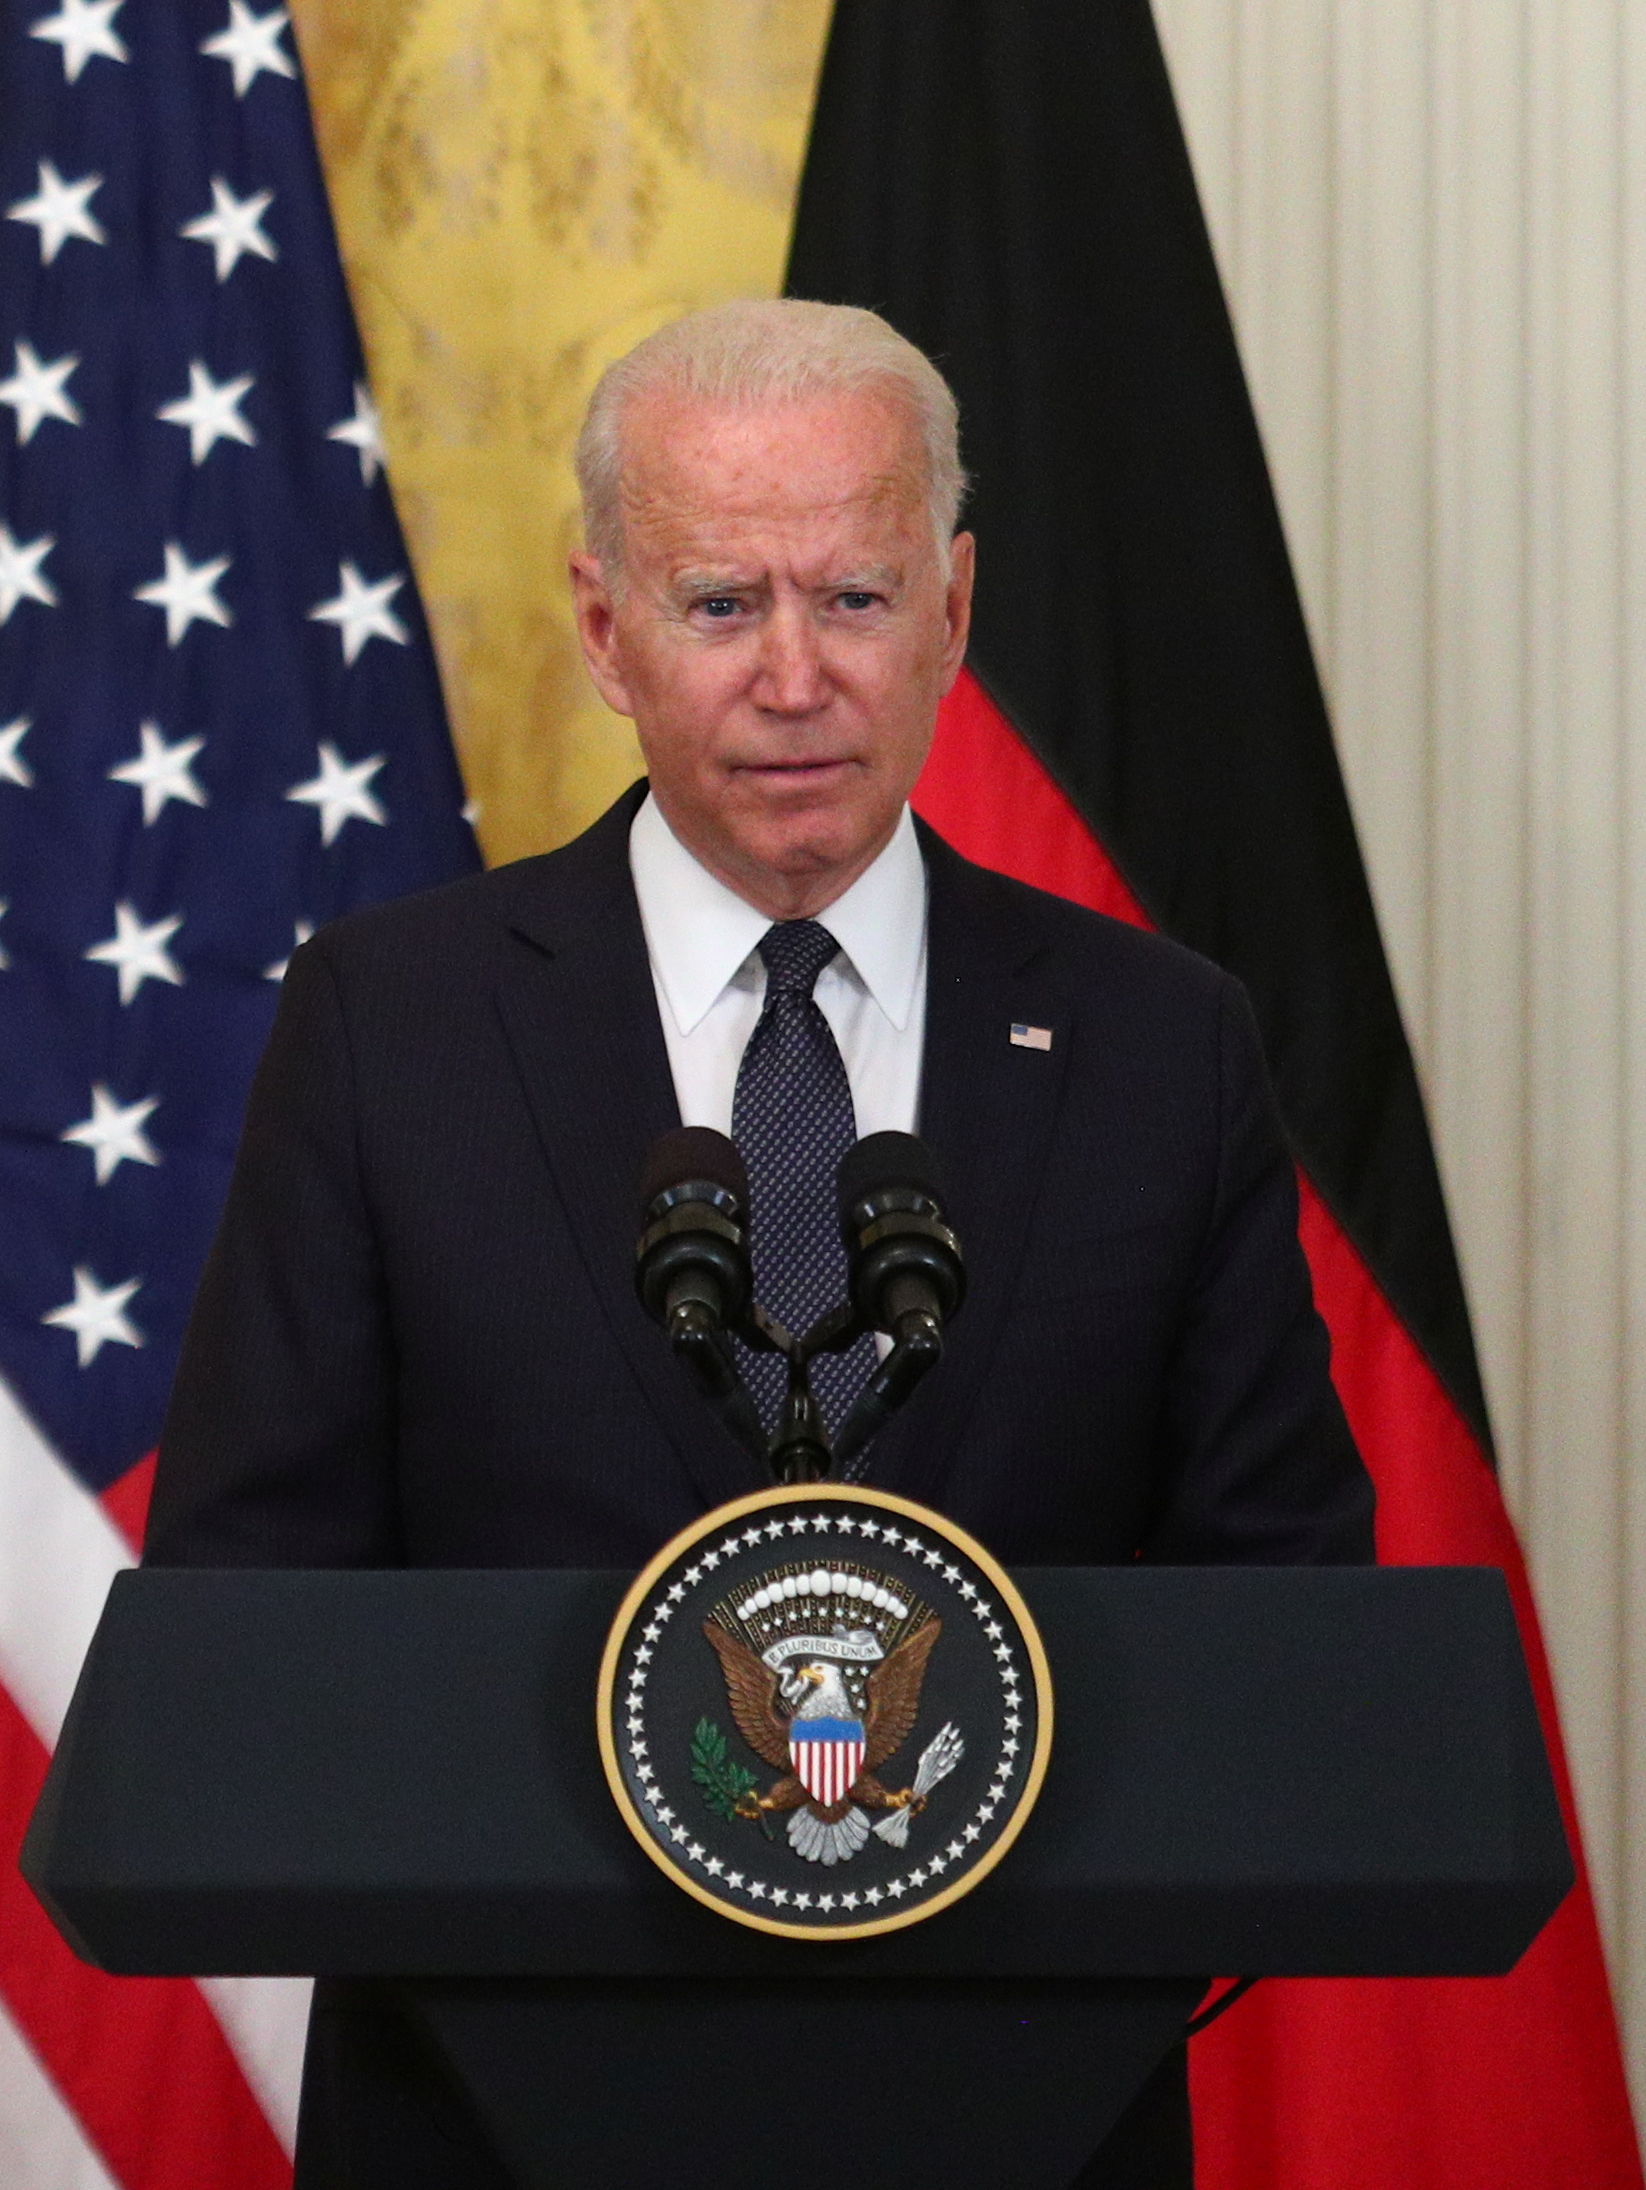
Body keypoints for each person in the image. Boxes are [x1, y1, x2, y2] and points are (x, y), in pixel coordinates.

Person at [147, 298, 1369, 2185]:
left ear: (953, 613)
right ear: (600, 628)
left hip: (1018, 2121)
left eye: (856, 600)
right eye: (721, 604)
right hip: (496, 2119)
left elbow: (1284, 1624)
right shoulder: (390, 1028)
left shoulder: (1156, 1045)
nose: (794, 679)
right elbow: (254, 1613)